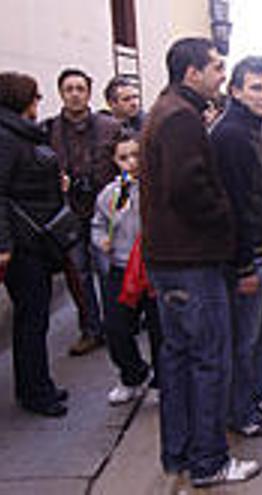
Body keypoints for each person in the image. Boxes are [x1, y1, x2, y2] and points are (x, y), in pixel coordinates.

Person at [141, 37, 260, 487]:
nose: (220, 76)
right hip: (190, 260)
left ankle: (181, 454)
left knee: (178, 360)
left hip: (172, 258)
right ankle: (208, 461)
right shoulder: (180, 118)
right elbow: (188, 189)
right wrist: (226, 218)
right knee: (208, 361)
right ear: (192, 73)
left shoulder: (169, 110)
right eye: (215, 68)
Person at [212, 56, 262, 438]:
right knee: (245, 338)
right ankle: (240, 413)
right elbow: (233, 206)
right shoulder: (231, 135)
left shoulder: (256, 127)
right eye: (256, 87)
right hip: (247, 254)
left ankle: (254, 394)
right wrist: (243, 266)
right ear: (236, 91)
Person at [0, 71, 69, 417]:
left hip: (33, 239)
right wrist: (4, 246)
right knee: (31, 320)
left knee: (33, 318)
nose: (39, 102)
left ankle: (37, 384)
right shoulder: (8, 138)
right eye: (36, 96)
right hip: (24, 244)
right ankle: (36, 392)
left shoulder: (20, 134)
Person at [46, 68, 121, 356]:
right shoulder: (49, 130)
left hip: (104, 212)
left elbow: (126, 165)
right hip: (70, 213)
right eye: (69, 89)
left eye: (80, 88)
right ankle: (91, 329)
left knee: (107, 271)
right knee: (78, 275)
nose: (75, 94)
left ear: (89, 92)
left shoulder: (109, 127)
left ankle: (117, 326)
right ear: (61, 93)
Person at [91, 128, 160, 405]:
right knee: (116, 327)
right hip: (120, 267)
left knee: (160, 329)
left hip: (154, 268)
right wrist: (101, 240)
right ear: (115, 161)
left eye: (136, 155)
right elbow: (97, 223)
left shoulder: (158, 187)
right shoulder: (112, 192)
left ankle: (162, 380)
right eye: (124, 157)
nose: (131, 162)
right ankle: (132, 375)